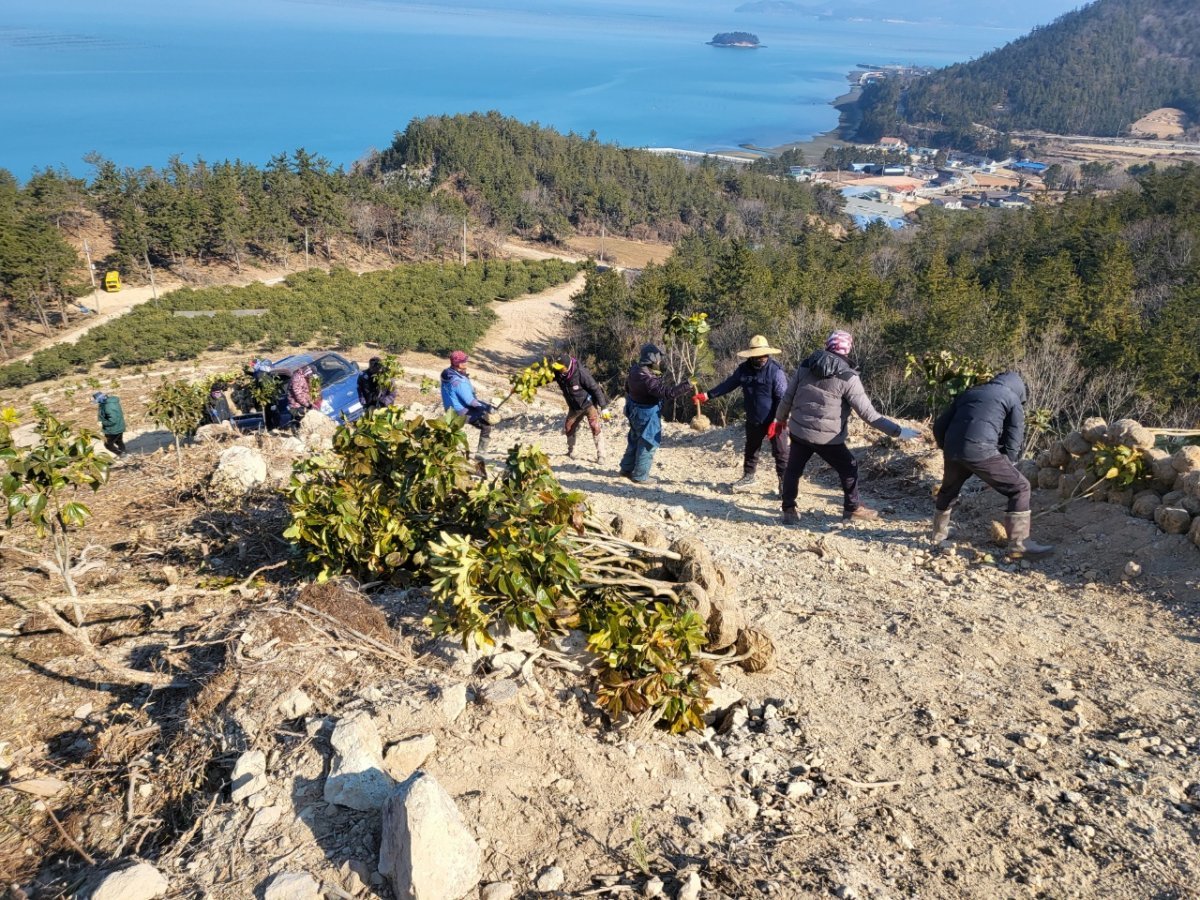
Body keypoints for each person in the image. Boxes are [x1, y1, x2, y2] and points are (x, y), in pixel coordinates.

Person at [774, 330, 919, 525]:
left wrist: (780, 420)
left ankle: (789, 510)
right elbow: (869, 415)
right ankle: (852, 508)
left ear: (827, 345)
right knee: (849, 467)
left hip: (799, 431)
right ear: (848, 349)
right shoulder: (848, 378)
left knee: (793, 469)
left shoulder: (806, 366)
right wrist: (898, 431)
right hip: (828, 438)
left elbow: (787, 398)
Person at [931, 371, 1053, 557]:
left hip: (953, 449)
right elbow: (1014, 438)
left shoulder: (969, 393)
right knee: (1020, 487)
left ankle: (938, 534)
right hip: (982, 450)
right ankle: (1020, 545)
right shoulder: (1011, 398)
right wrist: (1007, 464)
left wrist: (946, 447)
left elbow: (939, 425)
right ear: (1019, 390)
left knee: (949, 489)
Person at [693, 334, 790, 495]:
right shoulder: (744, 369)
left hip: (775, 418)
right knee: (751, 448)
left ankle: (784, 483)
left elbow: (783, 397)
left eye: (764, 355)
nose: (761, 358)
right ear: (752, 356)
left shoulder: (775, 371)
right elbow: (729, 384)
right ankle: (749, 476)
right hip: (753, 417)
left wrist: (778, 420)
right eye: (758, 356)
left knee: (781, 451)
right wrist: (708, 395)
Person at [618, 343, 693, 486]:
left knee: (634, 439)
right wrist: (687, 385)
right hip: (646, 412)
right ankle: (640, 476)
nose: (660, 361)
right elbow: (668, 393)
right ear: (653, 358)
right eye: (659, 358)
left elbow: (627, 387)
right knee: (648, 443)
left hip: (633, 408)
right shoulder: (647, 379)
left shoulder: (635, 369)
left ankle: (626, 469)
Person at [552, 352, 609, 463]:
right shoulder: (558, 372)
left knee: (595, 427)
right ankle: (572, 450)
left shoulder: (581, 373)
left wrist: (604, 407)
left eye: (561, 368)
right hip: (574, 407)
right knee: (569, 427)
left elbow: (595, 388)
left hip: (589, 405)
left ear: (567, 365)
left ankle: (601, 455)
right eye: (558, 368)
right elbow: (544, 378)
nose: (559, 370)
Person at [440, 350, 496, 454]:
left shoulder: (447, 374)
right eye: (464, 362)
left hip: (450, 410)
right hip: (461, 412)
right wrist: (487, 407)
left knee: (451, 432)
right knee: (486, 425)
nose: (466, 363)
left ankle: (445, 449)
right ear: (458, 364)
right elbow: (470, 401)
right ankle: (481, 453)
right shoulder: (458, 381)